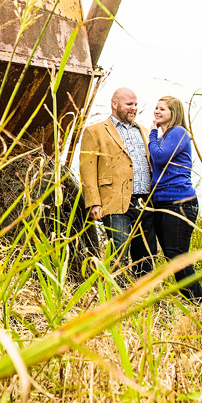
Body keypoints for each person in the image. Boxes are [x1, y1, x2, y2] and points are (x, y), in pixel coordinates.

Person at [79, 88, 156, 277]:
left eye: (136, 104)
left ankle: (142, 297)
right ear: (115, 104)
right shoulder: (94, 131)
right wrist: (94, 202)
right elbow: (87, 169)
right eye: (129, 104)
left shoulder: (144, 131)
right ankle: (116, 296)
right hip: (115, 201)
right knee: (119, 254)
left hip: (145, 202)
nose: (134, 108)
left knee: (146, 255)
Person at [148, 95, 202, 304]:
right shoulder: (165, 137)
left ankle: (200, 303)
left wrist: (152, 132)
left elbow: (160, 157)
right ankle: (193, 302)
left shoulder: (178, 133)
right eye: (156, 107)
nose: (157, 111)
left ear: (174, 113)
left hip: (180, 201)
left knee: (177, 254)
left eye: (162, 109)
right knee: (172, 256)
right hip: (163, 201)